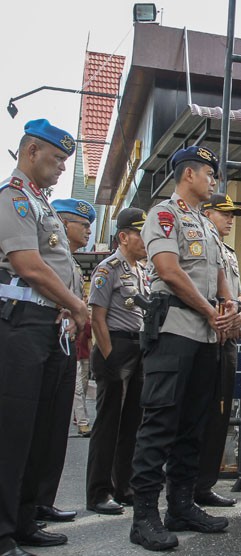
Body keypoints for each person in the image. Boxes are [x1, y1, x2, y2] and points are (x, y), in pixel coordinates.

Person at [129, 146, 241, 551]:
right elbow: (168, 270)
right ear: (189, 174)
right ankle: (144, 517)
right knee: (160, 423)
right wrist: (212, 310)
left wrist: (227, 305)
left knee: (194, 425)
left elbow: (219, 274)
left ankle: (181, 505)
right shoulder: (165, 214)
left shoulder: (206, 225)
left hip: (207, 335)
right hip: (175, 329)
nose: (215, 180)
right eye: (210, 173)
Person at [0, 119, 88, 555]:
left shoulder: (42, 204)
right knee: (13, 432)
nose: (59, 168)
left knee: (41, 431)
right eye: (55, 159)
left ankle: (25, 518)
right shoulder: (14, 198)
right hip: (20, 323)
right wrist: (75, 305)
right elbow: (29, 265)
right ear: (31, 152)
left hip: (48, 324)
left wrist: (68, 308)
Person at [35, 198, 96, 521]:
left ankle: (42, 500)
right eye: (83, 225)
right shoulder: (49, 254)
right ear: (63, 224)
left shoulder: (70, 262)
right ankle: (26, 506)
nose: (88, 231)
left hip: (65, 342)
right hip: (40, 334)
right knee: (36, 426)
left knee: (55, 429)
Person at [85, 208, 148, 516]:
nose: (146, 239)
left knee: (131, 425)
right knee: (108, 424)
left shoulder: (142, 270)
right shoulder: (108, 268)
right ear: (124, 236)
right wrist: (109, 356)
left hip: (139, 348)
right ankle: (98, 492)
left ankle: (124, 487)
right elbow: (97, 317)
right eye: (140, 232)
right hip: (116, 346)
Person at [194, 194, 241, 508]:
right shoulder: (198, 244)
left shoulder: (229, 253)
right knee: (196, 414)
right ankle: (185, 486)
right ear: (207, 213)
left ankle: (205, 484)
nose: (230, 219)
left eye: (233, 215)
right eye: (224, 214)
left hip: (228, 340)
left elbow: (238, 297)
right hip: (202, 336)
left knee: (220, 414)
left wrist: (238, 314)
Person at [74, 309, 93, 437]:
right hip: (73, 355)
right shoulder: (70, 314)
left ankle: (78, 416)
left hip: (84, 356)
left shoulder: (87, 318)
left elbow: (90, 339)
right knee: (78, 388)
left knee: (83, 388)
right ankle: (82, 423)